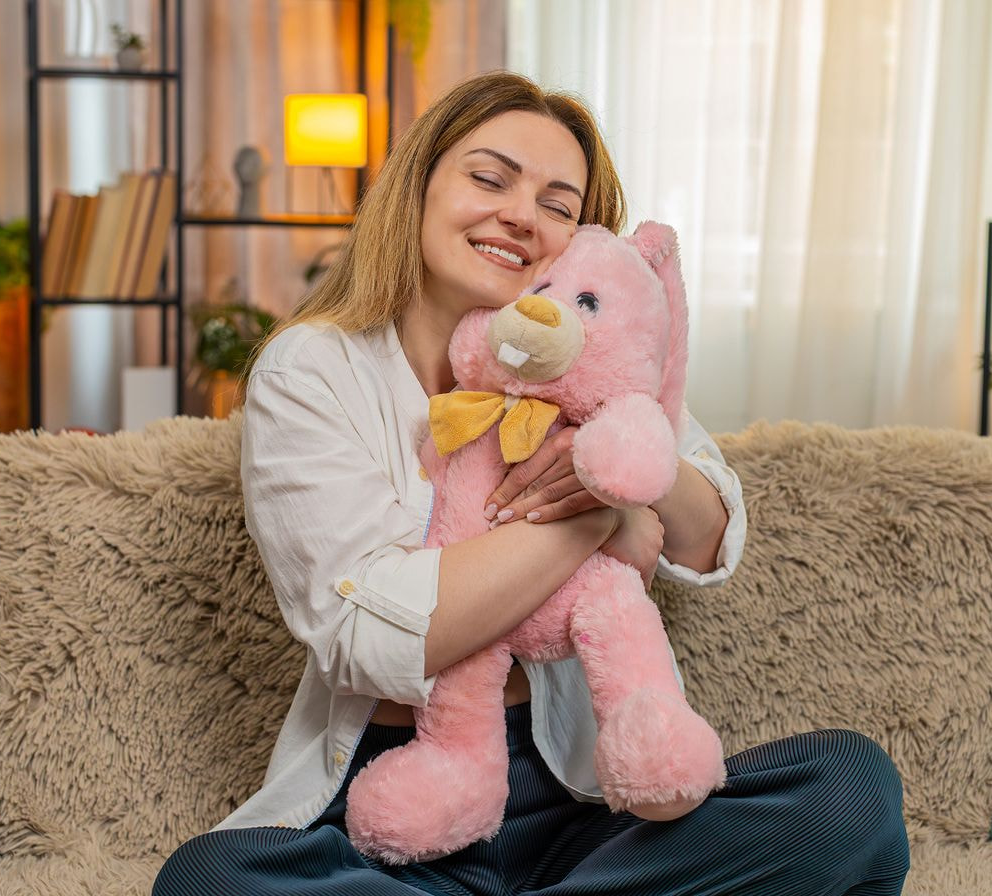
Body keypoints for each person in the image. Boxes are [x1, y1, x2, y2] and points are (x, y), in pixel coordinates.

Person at [153, 71, 910, 896]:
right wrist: (597, 518)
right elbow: (365, 637)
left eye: (558, 204)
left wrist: (633, 466)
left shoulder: (594, 357)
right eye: (489, 178)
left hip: (589, 820)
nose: (521, 215)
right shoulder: (314, 369)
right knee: (208, 880)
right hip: (390, 820)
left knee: (849, 789)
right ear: (418, 187)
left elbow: (709, 538)